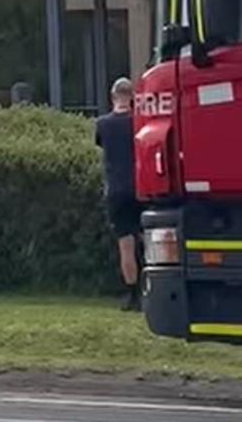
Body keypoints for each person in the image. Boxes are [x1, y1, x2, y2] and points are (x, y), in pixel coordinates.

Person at [95, 77, 140, 312]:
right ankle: (150, 288)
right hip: (141, 187)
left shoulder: (103, 124)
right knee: (148, 241)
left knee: (126, 245)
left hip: (116, 190)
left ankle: (132, 295)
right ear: (132, 98)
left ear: (113, 97)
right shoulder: (138, 123)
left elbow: (101, 146)